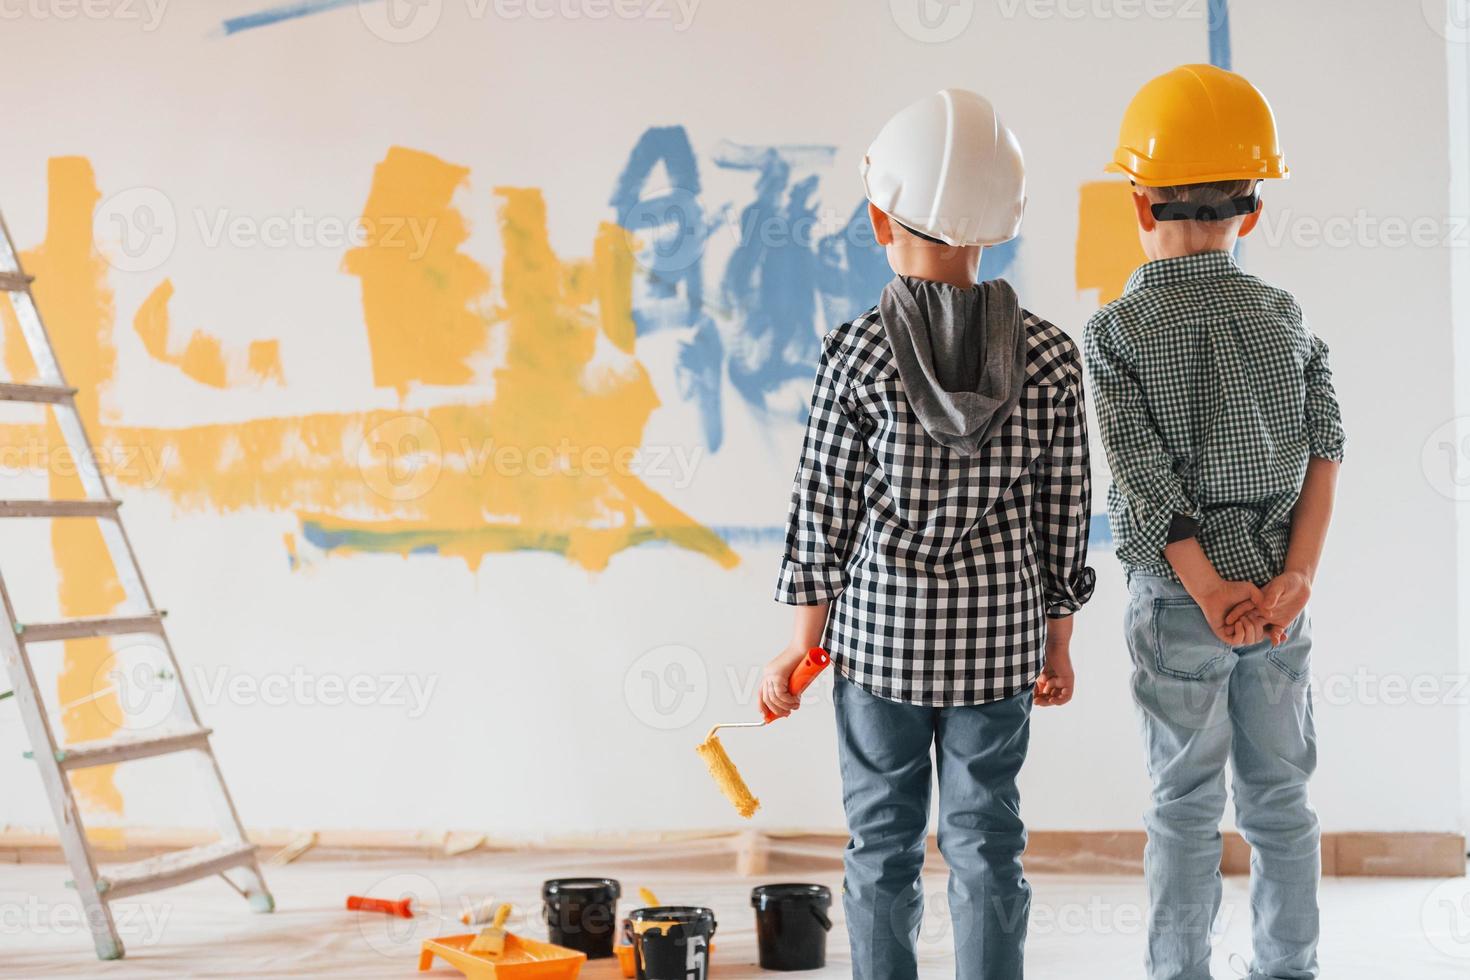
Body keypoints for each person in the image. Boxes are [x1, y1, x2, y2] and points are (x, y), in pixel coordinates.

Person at [762, 88, 1095, 980]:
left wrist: (800, 646)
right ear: (1002, 223)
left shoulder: (857, 352)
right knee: (988, 842)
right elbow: (1066, 515)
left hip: (878, 647)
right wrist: (1057, 641)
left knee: (881, 847)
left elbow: (820, 508)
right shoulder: (1054, 357)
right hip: (1000, 646)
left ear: (881, 218)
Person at [1085, 64, 1346, 980]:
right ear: (1254, 210)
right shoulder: (1283, 318)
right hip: (1279, 598)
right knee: (1282, 800)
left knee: (1184, 803)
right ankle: (1289, 969)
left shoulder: (1115, 333)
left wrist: (1209, 592)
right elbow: (1326, 451)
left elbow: (1142, 485)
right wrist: (1291, 581)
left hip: (1180, 604)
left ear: (1139, 203)